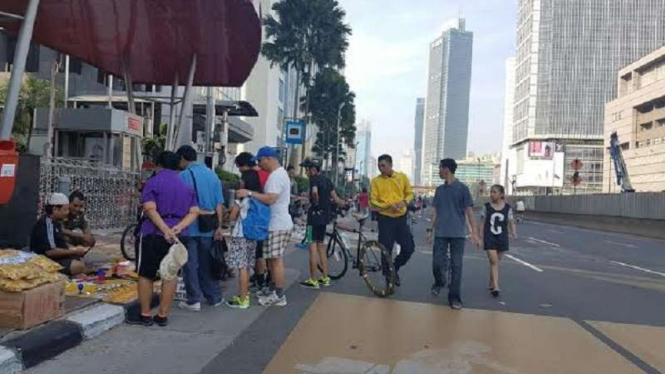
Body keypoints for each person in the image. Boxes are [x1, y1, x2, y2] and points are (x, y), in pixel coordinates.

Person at [126, 151, 199, 327]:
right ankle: (162, 315)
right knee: (170, 275)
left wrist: (164, 229)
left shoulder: (153, 182)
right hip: (177, 236)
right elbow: (194, 212)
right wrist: (178, 228)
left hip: (152, 233)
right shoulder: (186, 186)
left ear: (158, 165)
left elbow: (150, 209)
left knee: (146, 274)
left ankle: (144, 315)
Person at [237, 147, 293, 307]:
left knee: (276, 260)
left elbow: (270, 199)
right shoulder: (279, 174)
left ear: (268, 158)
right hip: (277, 223)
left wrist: (249, 193)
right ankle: (273, 290)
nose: (259, 164)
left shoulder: (276, 176)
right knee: (271, 259)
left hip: (278, 223)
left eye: (260, 160)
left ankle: (279, 295)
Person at [176, 146, 225, 312]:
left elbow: (180, 204)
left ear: (183, 158)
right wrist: (219, 226)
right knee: (207, 262)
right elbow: (219, 204)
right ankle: (214, 297)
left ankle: (194, 300)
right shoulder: (213, 175)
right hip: (208, 226)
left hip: (188, 227)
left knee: (190, 264)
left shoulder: (182, 176)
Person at [426, 158, 480, 310]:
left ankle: (454, 296)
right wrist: (430, 229)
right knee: (437, 263)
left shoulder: (463, 188)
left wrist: (473, 233)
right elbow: (435, 211)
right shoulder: (439, 190)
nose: (439, 172)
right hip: (441, 233)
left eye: (440, 168)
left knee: (457, 266)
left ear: (446, 169)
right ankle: (439, 282)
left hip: (457, 234)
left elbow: (469, 212)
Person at [298, 159, 346, 289]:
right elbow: (336, 199)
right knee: (321, 247)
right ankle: (325, 277)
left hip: (313, 218)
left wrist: (314, 202)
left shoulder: (314, 179)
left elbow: (314, 192)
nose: (306, 172)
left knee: (312, 247)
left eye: (307, 169)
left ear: (313, 170)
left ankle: (313, 279)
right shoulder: (327, 180)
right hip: (324, 218)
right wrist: (345, 203)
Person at [370, 154, 415, 287]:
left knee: (409, 247)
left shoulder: (401, 177)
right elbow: (373, 200)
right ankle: (388, 275)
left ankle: (395, 267)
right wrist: (387, 205)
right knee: (385, 248)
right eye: (379, 166)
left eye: (383, 165)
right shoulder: (376, 181)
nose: (380, 168)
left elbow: (410, 193)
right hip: (385, 218)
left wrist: (404, 202)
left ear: (390, 165)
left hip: (400, 217)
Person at [226, 168, 264, 309]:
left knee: (242, 268)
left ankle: (243, 299)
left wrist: (229, 219)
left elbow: (233, 215)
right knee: (247, 266)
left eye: (242, 179)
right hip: (252, 235)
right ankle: (244, 295)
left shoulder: (242, 197)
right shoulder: (258, 197)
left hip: (241, 234)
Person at [30, 193, 89, 276]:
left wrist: (74, 250)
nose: (67, 212)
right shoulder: (47, 223)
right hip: (45, 260)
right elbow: (51, 252)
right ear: (55, 209)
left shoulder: (55, 222)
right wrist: (73, 251)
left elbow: (61, 243)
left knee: (80, 262)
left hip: (55, 258)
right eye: (65, 210)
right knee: (79, 266)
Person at [235, 152, 269, 291]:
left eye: (239, 167)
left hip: (252, 220)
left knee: (254, 254)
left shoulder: (252, 178)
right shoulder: (267, 175)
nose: (239, 170)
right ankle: (263, 278)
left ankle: (259, 279)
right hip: (264, 217)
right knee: (260, 251)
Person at [478, 185, 517, 298]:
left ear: (501, 194)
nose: (492, 194)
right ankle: (496, 286)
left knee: (495, 261)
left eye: (494, 192)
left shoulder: (507, 208)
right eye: (491, 192)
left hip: (502, 237)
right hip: (490, 237)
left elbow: (511, 221)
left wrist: (513, 232)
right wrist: (480, 236)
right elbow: (482, 222)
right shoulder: (486, 207)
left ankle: (491, 281)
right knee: (494, 261)